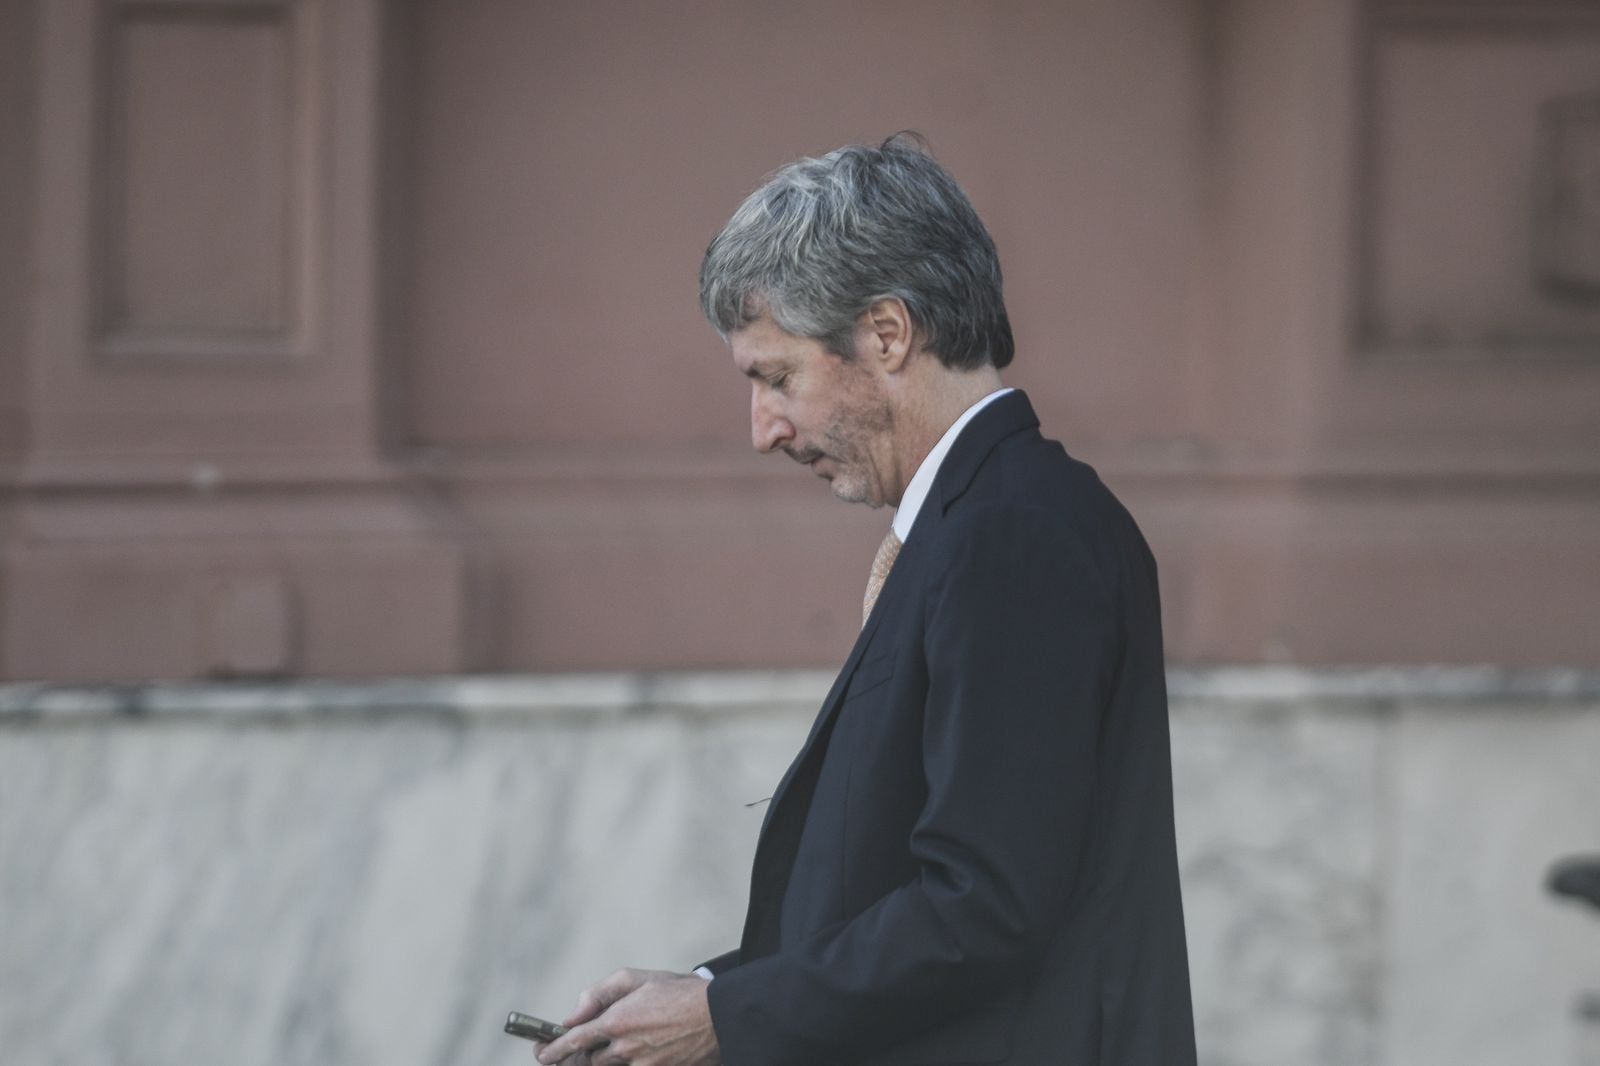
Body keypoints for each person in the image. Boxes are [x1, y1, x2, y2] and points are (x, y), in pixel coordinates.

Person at [536, 134, 1196, 1066]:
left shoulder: (1013, 532)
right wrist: (711, 996)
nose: (764, 430)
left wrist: (730, 1018)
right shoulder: (986, 520)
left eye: (776, 377)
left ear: (887, 334)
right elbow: (902, 884)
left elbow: (985, 907)